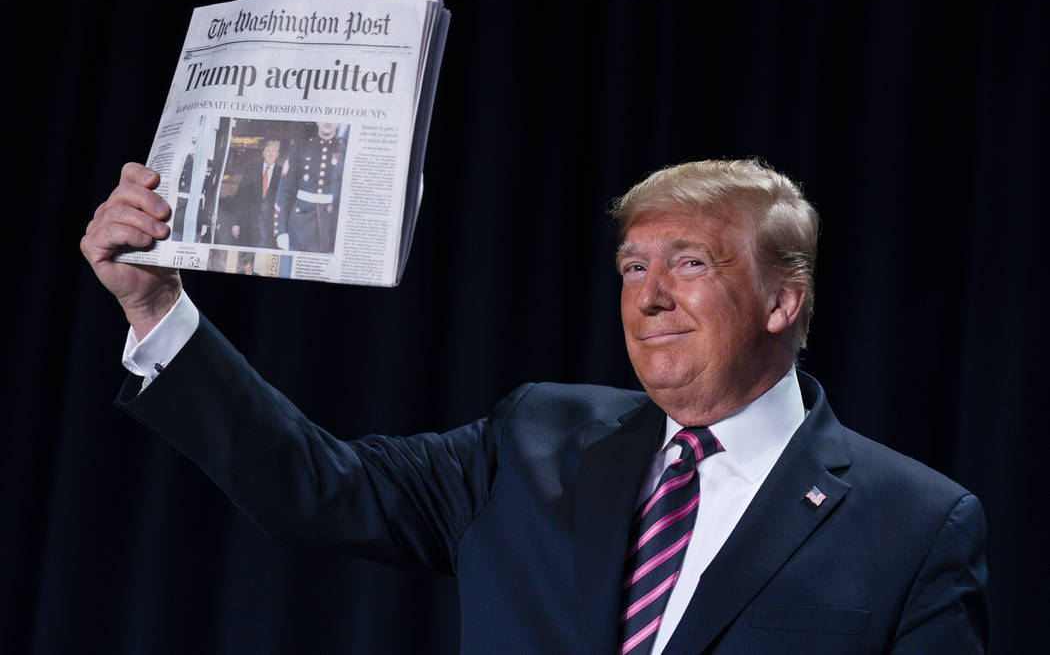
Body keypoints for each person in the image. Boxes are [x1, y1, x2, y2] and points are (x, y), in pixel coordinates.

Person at [80, 159, 988, 654]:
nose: (650, 295)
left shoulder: (914, 522)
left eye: (692, 263)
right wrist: (156, 309)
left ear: (783, 301)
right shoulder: (535, 439)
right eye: (634, 266)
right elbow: (314, 486)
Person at [274, 122, 346, 253]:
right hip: (300, 228)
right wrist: (281, 230)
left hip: (331, 230)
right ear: (318, 121)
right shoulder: (301, 149)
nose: (328, 122)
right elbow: (285, 192)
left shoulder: (344, 152)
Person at [229, 140, 281, 248]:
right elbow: (240, 197)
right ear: (263, 153)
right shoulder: (251, 170)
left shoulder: (282, 174)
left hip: (272, 229)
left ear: (277, 155)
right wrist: (235, 223)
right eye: (268, 151)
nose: (270, 154)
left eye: (274, 151)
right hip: (250, 226)